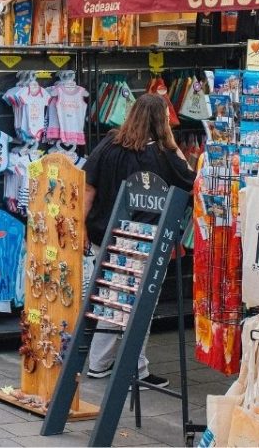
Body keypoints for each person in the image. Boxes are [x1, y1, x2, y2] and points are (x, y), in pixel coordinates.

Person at [81, 93, 195, 386]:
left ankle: (100, 362)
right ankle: (134, 368)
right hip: (142, 240)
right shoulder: (162, 153)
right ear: (162, 122)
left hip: (103, 235)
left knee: (112, 296)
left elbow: (88, 189)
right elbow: (190, 179)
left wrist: (80, 228)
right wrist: (172, 144)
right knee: (138, 305)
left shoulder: (109, 143)